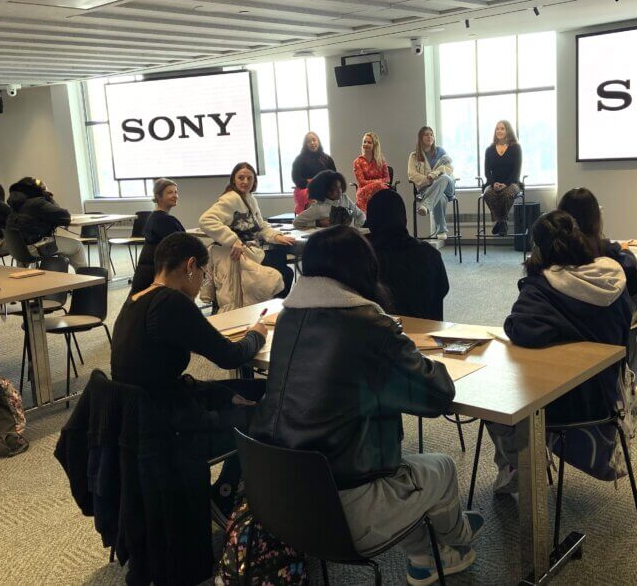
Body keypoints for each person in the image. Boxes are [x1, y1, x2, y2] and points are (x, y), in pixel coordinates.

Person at [250, 226, 483, 584]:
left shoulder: (288, 317)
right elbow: (437, 395)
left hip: (279, 499)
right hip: (341, 511)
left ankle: (426, 554)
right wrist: (407, 347)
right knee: (441, 467)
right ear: (364, 268)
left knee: (405, 477)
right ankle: (458, 544)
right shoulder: (369, 324)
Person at [111, 232, 267, 524]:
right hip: (169, 428)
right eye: (204, 274)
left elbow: (156, 374)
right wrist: (257, 335)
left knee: (252, 389)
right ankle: (226, 494)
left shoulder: (135, 299)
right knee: (268, 409)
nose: (202, 282)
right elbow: (230, 357)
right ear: (191, 265)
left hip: (142, 419)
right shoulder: (172, 302)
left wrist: (219, 394)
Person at [486, 211, 633, 492]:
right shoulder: (613, 274)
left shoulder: (543, 288)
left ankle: (520, 465)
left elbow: (522, 330)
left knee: (492, 400)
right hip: (611, 394)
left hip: (563, 401)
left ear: (538, 249)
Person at [199, 162, 296, 308]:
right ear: (234, 180)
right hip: (238, 255)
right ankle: (268, 311)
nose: (245, 182)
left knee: (282, 265)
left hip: (251, 251)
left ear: (254, 181)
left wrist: (275, 236)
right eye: (241, 178)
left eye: (249, 178)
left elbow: (260, 225)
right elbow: (206, 220)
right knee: (284, 273)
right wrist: (233, 240)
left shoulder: (250, 198)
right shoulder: (231, 198)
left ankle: (267, 309)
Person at [366, 189, 449, 321]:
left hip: (382, 335)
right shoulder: (429, 253)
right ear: (403, 217)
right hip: (427, 332)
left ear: (370, 219)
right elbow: (442, 288)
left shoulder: (363, 256)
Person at [557, 188, 637, 296]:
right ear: (596, 217)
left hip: (564, 307)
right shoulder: (606, 250)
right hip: (606, 309)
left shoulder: (554, 251)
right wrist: (625, 249)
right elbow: (630, 268)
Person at [6, 177, 87, 268]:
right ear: (35, 188)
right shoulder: (38, 202)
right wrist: (49, 197)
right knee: (77, 246)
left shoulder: (14, 206)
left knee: (63, 246)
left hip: (18, 249)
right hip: (36, 246)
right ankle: (86, 278)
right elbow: (64, 216)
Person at [129, 178, 185, 296]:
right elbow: (181, 247)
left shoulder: (155, 217)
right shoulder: (164, 220)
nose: (175, 195)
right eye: (170, 192)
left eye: (176, 192)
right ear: (158, 196)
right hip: (154, 277)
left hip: (150, 274)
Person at [407, 126, 456, 240]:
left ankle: (426, 205)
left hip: (447, 186)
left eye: (431, 134)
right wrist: (427, 180)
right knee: (440, 197)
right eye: (426, 134)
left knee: (443, 178)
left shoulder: (441, 151)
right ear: (420, 138)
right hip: (427, 189)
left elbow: (449, 169)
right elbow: (412, 175)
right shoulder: (414, 156)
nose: (430, 137)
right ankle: (441, 230)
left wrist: (433, 175)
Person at [482, 120, 522, 236]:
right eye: (497, 129)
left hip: (512, 183)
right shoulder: (489, 150)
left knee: (506, 195)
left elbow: (516, 171)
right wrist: (493, 183)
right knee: (488, 194)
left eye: (502, 128)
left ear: (508, 130)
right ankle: (502, 221)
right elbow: (487, 171)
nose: (499, 131)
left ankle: (500, 222)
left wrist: (506, 184)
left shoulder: (516, 148)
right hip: (493, 183)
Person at [293, 170, 365, 230]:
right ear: (325, 191)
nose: (339, 191)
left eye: (340, 187)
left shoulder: (344, 198)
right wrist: (318, 223)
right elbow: (296, 222)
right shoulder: (318, 207)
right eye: (334, 189)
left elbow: (361, 215)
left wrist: (356, 229)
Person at [291, 132, 336, 214]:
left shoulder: (328, 159)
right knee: (313, 195)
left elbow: (334, 176)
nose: (312, 143)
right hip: (305, 189)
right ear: (306, 144)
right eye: (309, 141)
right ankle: (313, 221)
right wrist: (312, 182)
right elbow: (296, 179)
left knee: (338, 195)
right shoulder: (299, 160)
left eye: (314, 140)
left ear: (318, 141)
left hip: (325, 188)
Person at [353, 131, 390, 212]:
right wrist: (377, 183)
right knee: (381, 187)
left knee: (382, 189)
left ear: (375, 145)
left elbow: (387, 179)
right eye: (364, 142)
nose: (366, 144)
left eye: (369, 142)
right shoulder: (357, 162)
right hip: (364, 191)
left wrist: (378, 184)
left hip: (380, 190)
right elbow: (362, 182)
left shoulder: (381, 160)